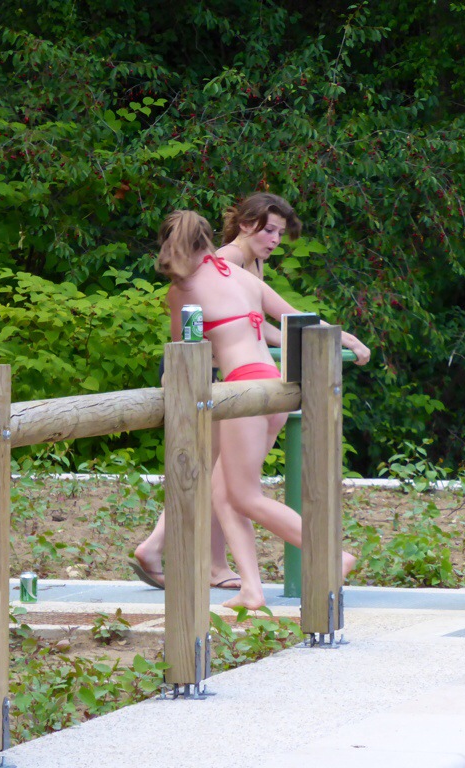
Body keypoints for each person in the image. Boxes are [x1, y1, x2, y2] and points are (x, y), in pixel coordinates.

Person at [136, 208, 371, 610]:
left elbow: (185, 354)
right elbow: (297, 320)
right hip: (274, 387)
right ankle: (251, 589)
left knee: (245, 497)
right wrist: (346, 338)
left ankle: (334, 554)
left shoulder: (183, 290)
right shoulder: (242, 275)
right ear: (208, 239)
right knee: (224, 493)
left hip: (241, 389)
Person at [131, 193, 302, 591]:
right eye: (269, 231)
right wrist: (341, 337)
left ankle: (176, 553)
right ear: (244, 226)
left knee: (217, 477)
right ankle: (209, 563)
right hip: (208, 373)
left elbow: (248, 324)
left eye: (280, 233)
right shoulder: (226, 263)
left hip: (219, 373)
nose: (275, 240)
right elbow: (207, 336)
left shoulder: (235, 269)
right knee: (219, 479)